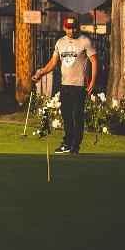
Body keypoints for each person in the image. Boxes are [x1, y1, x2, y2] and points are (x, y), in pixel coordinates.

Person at [32, 14, 98, 154]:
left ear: (77, 27)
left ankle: (75, 145)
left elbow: (94, 61)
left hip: (79, 85)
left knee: (77, 116)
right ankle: (67, 143)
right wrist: (40, 73)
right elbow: (53, 62)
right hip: (65, 85)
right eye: (68, 28)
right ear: (64, 28)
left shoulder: (85, 41)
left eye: (73, 28)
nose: (71, 31)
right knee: (66, 116)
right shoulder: (60, 42)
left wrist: (92, 81)